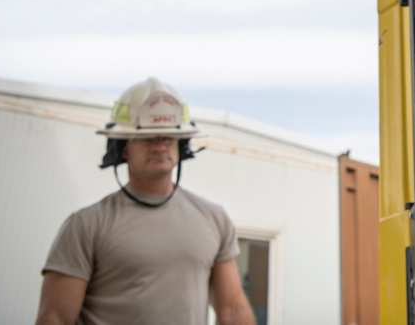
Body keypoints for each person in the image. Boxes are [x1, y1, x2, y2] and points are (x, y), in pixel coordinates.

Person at [35, 77, 255, 325]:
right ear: (124, 148)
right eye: (148, 137)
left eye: (168, 137)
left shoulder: (214, 218)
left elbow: (233, 309)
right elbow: (55, 318)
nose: (159, 146)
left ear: (180, 146)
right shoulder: (86, 225)